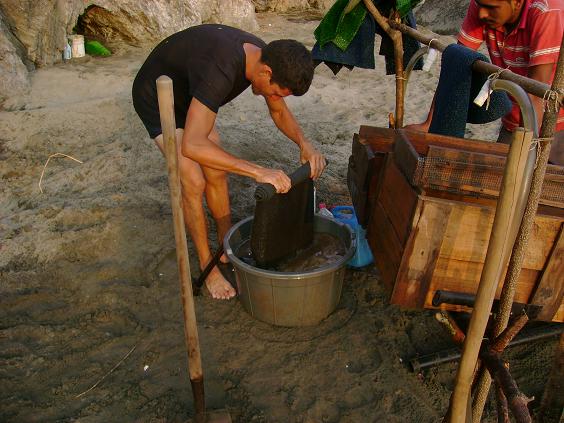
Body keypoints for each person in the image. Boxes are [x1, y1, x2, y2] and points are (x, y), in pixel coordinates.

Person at [132, 24, 327, 300]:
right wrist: (257, 171)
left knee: (217, 171)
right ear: (266, 72)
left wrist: (303, 143)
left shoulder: (265, 55)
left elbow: (279, 112)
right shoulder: (220, 68)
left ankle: (227, 245)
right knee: (193, 179)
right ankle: (206, 265)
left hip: (192, 94)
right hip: (156, 96)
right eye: (275, 92)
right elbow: (192, 145)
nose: (275, 100)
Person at [407, 0, 563, 164]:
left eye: (491, 8)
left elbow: (536, 94)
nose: (482, 13)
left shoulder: (546, 11)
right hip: (516, 120)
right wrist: (429, 124)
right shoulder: (482, 4)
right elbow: (456, 65)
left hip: (555, 122)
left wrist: (522, 154)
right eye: (481, 6)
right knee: (498, 180)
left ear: (517, 3)